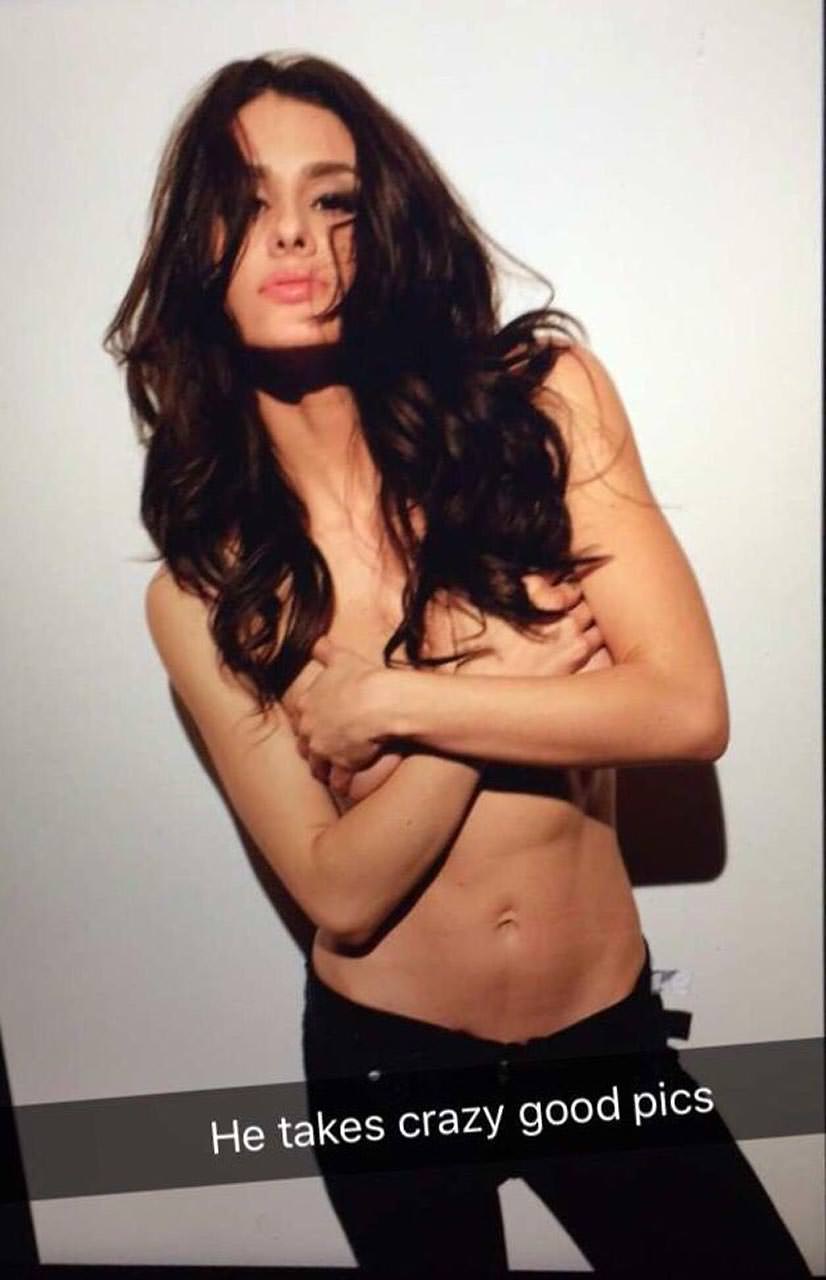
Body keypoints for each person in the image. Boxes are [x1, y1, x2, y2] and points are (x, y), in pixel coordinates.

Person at [106, 53, 811, 1278]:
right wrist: (520, 683)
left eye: (332, 198)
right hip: (388, 1062)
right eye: (248, 201)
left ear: (382, 226)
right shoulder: (204, 591)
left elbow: (686, 706)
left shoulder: (538, 409)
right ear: (195, 251)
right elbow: (340, 889)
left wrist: (395, 700)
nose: (295, 233)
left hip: (602, 1039)